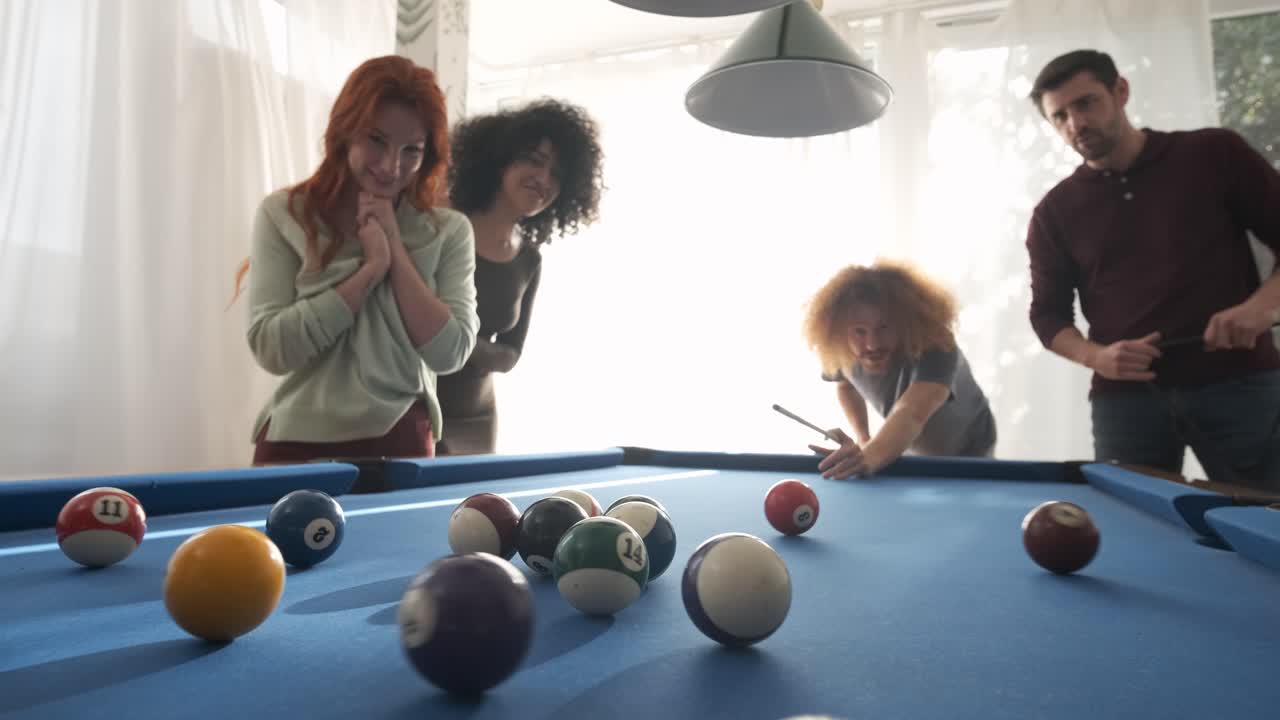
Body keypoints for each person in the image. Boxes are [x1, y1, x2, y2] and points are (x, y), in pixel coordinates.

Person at [1024, 49, 1280, 489]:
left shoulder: (1213, 152)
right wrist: (1097, 357)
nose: (1076, 124)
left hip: (1239, 383)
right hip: (1125, 400)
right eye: (1060, 116)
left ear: (1120, 91)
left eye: (1085, 103)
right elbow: (1047, 317)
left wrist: (1262, 308)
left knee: (1270, 524)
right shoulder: (1054, 212)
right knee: (1130, 533)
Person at [238, 56, 479, 464]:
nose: (392, 166)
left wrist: (394, 253)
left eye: (412, 151)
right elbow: (272, 349)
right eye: (377, 141)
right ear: (345, 131)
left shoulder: (448, 231)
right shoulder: (284, 214)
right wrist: (369, 272)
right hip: (294, 440)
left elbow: (450, 352)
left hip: (401, 438)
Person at [433, 99, 605, 455]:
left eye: (557, 173)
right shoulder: (441, 223)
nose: (543, 179)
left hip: (477, 420)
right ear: (499, 158)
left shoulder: (529, 259)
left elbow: (511, 354)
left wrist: (454, 341)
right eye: (534, 160)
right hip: (415, 410)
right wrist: (458, 340)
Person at [801, 260, 998, 480]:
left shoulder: (936, 345)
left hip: (970, 448)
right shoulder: (839, 347)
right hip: (913, 446)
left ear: (904, 323)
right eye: (859, 331)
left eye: (883, 328)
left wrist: (866, 457)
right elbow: (846, 385)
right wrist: (864, 439)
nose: (872, 344)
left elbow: (911, 413)